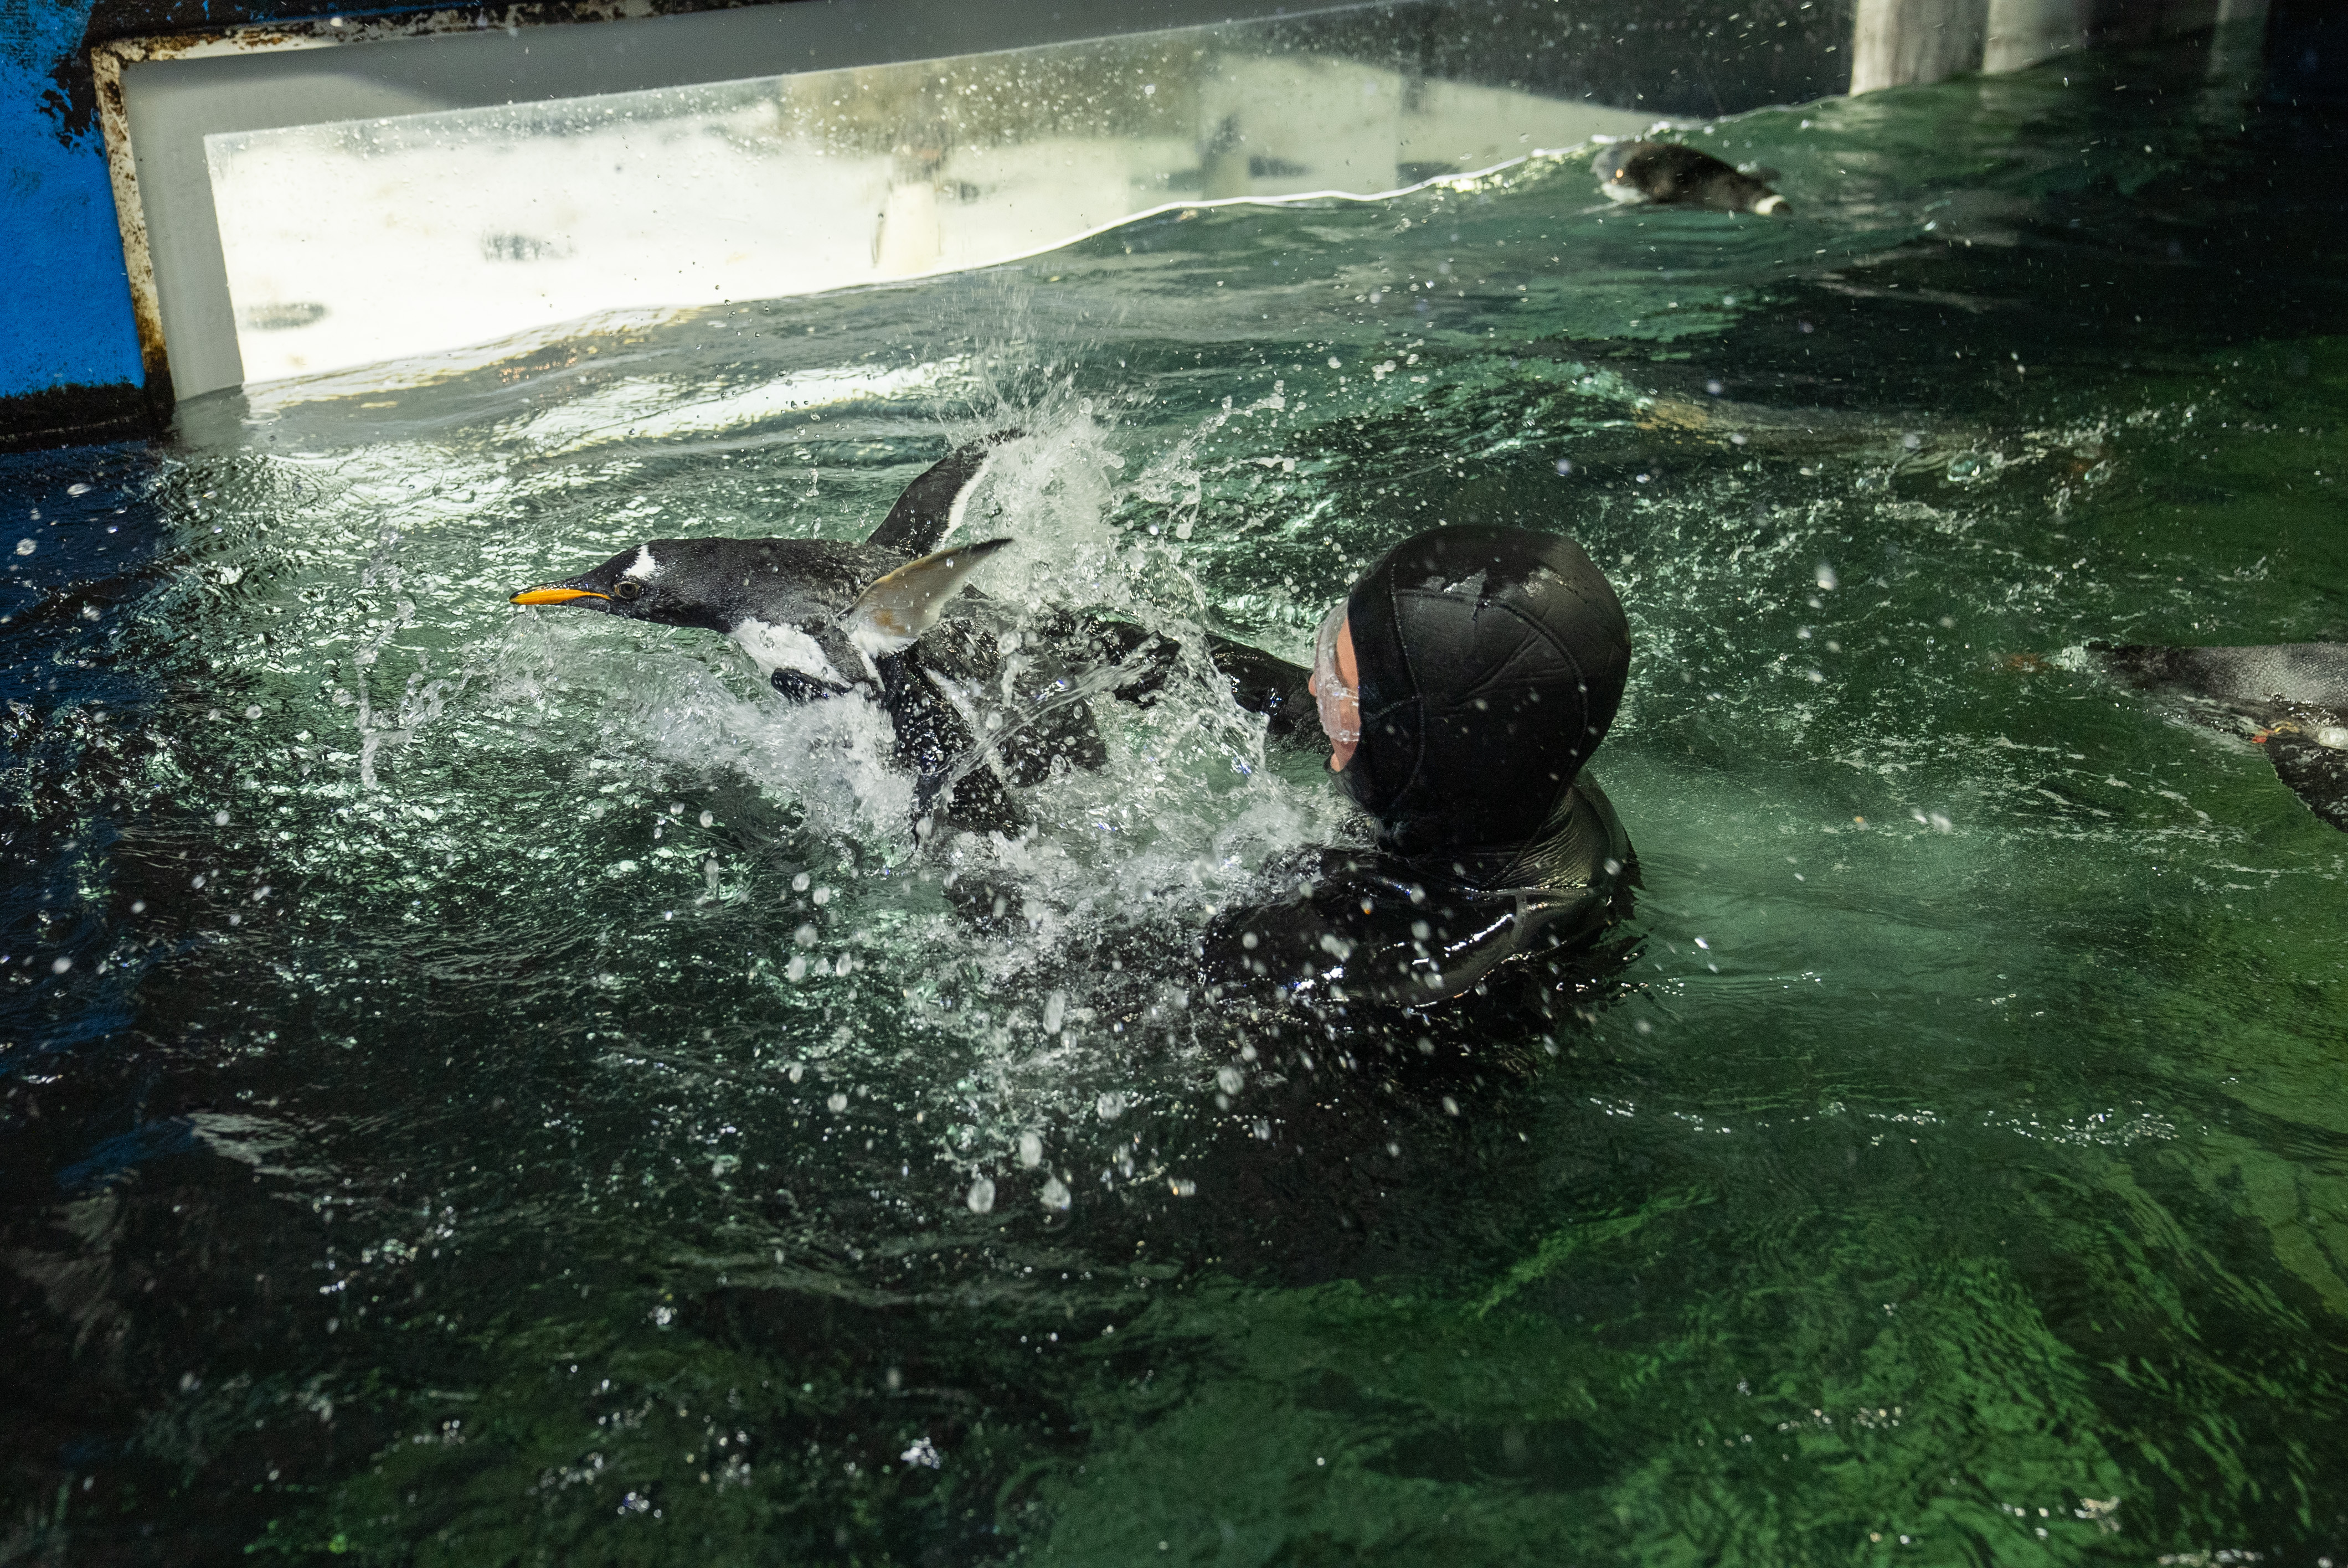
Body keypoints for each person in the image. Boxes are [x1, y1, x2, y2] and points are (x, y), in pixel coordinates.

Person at [1099, 523, 1636, 1014]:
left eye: (1342, 685)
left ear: (1417, 745)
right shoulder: (1523, 764)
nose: (1315, 688)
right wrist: (1086, 644)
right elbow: (1298, 700)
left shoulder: (1364, 964)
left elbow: (1065, 972)